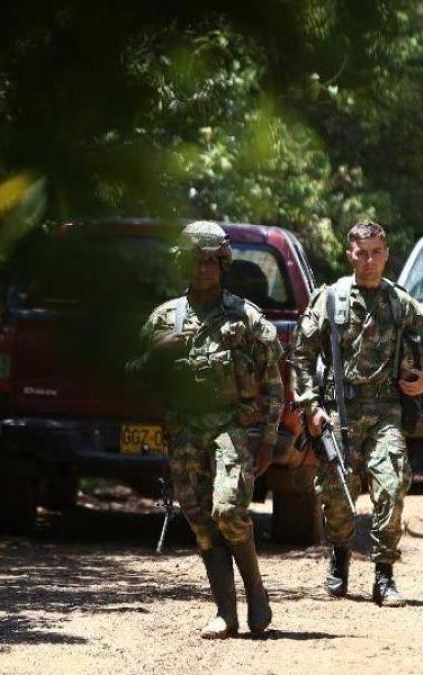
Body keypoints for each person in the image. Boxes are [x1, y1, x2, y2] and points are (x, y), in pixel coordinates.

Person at [128, 221, 284, 638]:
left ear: (223, 263)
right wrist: (158, 353)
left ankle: (257, 592)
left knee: (228, 510)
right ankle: (225, 612)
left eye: (211, 261)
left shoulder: (245, 317)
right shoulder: (163, 319)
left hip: (230, 429)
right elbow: (131, 377)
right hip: (183, 433)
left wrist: (267, 439)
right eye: (195, 261)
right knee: (200, 521)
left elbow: (272, 383)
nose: (203, 269)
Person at [289, 221, 423, 607]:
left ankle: (384, 575)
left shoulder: (401, 303)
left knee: (391, 486)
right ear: (350, 255)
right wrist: (310, 407)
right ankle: (340, 555)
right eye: (362, 252)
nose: (370, 260)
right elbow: (301, 356)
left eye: (376, 252)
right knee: (338, 495)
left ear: (387, 255)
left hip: (385, 408)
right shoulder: (330, 299)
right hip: (338, 409)